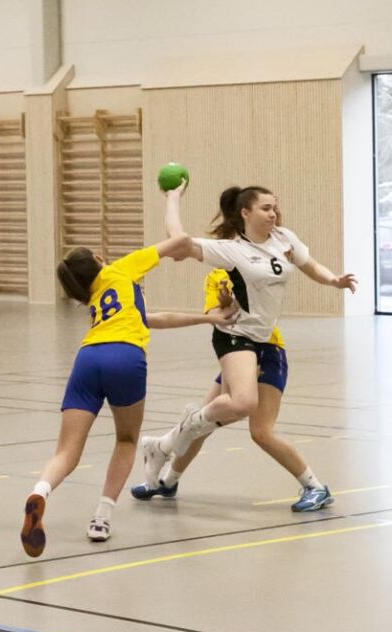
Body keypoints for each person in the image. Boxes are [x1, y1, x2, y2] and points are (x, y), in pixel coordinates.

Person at [135, 181, 357, 511]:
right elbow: (179, 246)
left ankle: (166, 465)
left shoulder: (285, 239)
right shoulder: (229, 253)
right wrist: (172, 198)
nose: (274, 212)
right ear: (245, 212)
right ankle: (167, 462)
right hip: (236, 338)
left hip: (267, 344)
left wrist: (333, 280)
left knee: (250, 429)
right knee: (239, 403)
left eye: (275, 206)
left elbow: (309, 265)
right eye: (266, 208)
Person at [20, 238, 234, 558]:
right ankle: (101, 519)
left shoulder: (97, 300)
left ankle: (40, 492)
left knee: (66, 451)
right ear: (98, 258)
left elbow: (153, 318)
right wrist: (206, 242)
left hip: (88, 357)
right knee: (126, 440)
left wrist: (208, 318)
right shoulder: (120, 270)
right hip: (125, 357)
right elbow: (174, 243)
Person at [130, 270, 311, 510]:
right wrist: (223, 306)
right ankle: (168, 481)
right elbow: (215, 316)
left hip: (267, 352)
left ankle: (314, 486)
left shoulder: (259, 267)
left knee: (261, 432)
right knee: (201, 424)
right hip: (235, 356)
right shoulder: (216, 275)